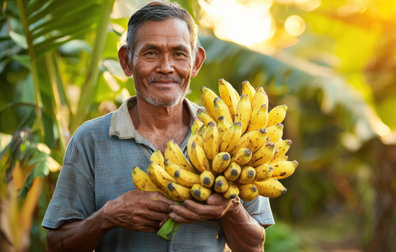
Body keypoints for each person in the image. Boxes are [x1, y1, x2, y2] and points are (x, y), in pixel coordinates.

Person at [42, 1, 274, 251]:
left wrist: (230, 209)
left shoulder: (231, 134)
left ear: (196, 62)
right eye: (151, 52)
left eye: (179, 53)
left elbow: (254, 247)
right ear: (126, 61)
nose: (166, 67)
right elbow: (56, 245)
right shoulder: (90, 139)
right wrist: (106, 217)